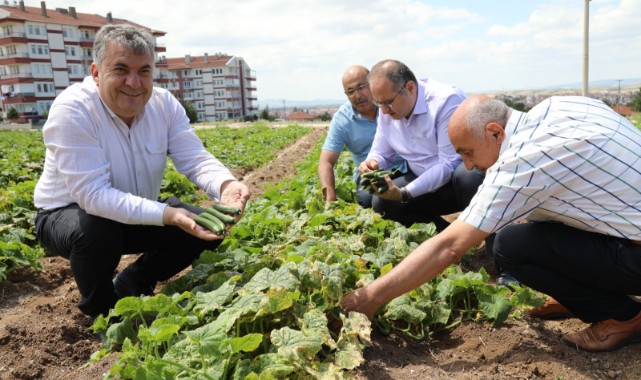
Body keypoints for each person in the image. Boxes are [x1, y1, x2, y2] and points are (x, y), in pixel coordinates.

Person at [341, 95, 641, 353]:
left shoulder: (524, 161)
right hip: (626, 227)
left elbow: (448, 247)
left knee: (511, 246)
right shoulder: (559, 106)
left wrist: (371, 297)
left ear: (495, 132)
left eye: (467, 153)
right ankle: (573, 294)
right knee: (541, 228)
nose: (468, 166)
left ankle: (622, 317)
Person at [33, 24, 250, 318]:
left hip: (132, 209)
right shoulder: (73, 109)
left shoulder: (163, 105)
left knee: (205, 227)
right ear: (96, 73)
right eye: (121, 69)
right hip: (66, 215)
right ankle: (102, 312)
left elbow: (194, 157)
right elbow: (93, 196)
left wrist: (226, 185)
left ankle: (135, 280)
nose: (133, 82)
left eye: (143, 71)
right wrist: (168, 214)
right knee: (98, 229)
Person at [358, 59, 485, 232]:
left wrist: (405, 193)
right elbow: (381, 152)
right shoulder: (386, 109)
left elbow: (449, 164)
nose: (384, 111)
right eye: (378, 103)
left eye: (388, 102)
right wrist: (373, 162)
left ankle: (485, 234)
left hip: (457, 184)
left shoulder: (445, 101)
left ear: (410, 87)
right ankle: (443, 234)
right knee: (379, 201)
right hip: (422, 180)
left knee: (469, 175)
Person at [318, 65, 406, 208]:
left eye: (361, 87)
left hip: (404, 166)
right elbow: (325, 162)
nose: (357, 95)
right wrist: (330, 199)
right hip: (370, 175)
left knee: (389, 200)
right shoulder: (342, 119)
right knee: (368, 200)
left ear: (372, 83)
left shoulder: (389, 102)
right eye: (350, 91)